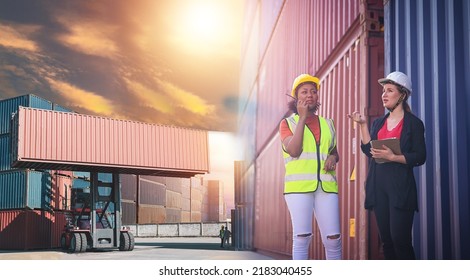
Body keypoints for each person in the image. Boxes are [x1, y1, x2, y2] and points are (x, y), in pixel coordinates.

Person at [348, 71, 426, 259]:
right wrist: (363, 125)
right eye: (383, 90)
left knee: (401, 241)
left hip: (400, 189)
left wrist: (393, 157)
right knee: (387, 242)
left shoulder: (414, 124)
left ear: (402, 95)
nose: (384, 94)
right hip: (378, 187)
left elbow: (420, 157)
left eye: (389, 90)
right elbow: (369, 151)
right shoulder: (378, 123)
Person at [279, 74, 342, 260]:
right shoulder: (287, 123)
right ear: (296, 97)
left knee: (334, 239)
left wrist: (333, 157)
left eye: (313, 92)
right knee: (302, 238)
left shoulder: (328, 123)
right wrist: (302, 118)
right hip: (298, 189)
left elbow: (334, 152)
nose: (310, 95)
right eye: (304, 92)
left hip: (326, 187)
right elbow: (294, 150)